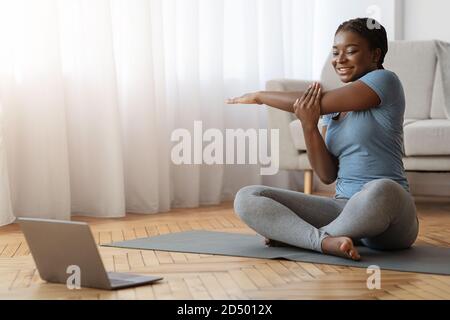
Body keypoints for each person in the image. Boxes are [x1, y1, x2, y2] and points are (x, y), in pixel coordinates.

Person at [226, 18, 419, 261]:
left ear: (375, 55)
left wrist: (260, 96)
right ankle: (327, 242)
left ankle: (303, 238)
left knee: (381, 188)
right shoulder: (331, 112)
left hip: (391, 216)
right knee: (248, 196)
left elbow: (317, 102)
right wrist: (309, 126)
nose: (340, 59)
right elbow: (327, 175)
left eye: (351, 51)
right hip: (344, 210)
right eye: (335, 52)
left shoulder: (385, 81)